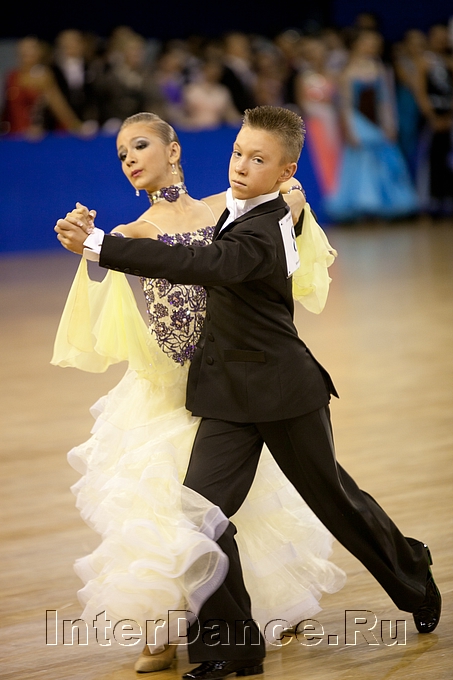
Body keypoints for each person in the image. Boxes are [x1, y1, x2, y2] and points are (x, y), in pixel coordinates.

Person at [55, 105, 441, 680]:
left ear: (285, 172)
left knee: (336, 503)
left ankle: (412, 570)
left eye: (257, 160)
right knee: (197, 516)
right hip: (223, 397)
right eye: (238, 153)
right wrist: (94, 244)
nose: (239, 166)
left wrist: (99, 243)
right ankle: (232, 648)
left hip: (282, 390)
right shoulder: (236, 209)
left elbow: (203, 262)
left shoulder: (265, 227)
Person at [324, 30, 418, 222]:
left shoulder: (380, 68)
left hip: (378, 124)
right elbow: (346, 105)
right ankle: (363, 206)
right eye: (368, 42)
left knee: (384, 162)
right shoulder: (349, 70)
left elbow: (385, 101)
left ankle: (385, 206)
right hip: (359, 122)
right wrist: (349, 130)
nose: (372, 47)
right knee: (362, 163)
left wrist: (390, 124)